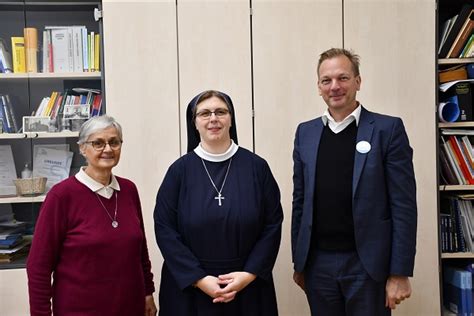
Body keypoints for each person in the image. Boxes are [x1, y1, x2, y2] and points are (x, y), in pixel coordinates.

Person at [291, 48, 417, 316]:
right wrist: (299, 262)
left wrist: (400, 272)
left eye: (343, 78)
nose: (335, 87)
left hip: (367, 266)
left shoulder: (387, 130)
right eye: (327, 80)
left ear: (358, 82)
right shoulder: (306, 133)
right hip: (318, 265)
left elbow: (404, 206)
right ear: (319, 87)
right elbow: (300, 201)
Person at [154, 90, 283, 315]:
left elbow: (272, 225)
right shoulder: (179, 171)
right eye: (204, 113)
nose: (213, 118)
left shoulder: (256, 167)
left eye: (220, 112)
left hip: (247, 285)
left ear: (231, 119)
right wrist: (199, 278)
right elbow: (165, 228)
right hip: (192, 288)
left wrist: (249, 274)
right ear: (194, 123)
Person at [27, 115, 157, 316]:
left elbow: (140, 250)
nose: (108, 149)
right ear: (82, 148)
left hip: (130, 307)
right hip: (80, 310)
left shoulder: (129, 189)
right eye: (98, 143)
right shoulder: (61, 196)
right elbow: (38, 266)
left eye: (114, 142)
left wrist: (148, 292)